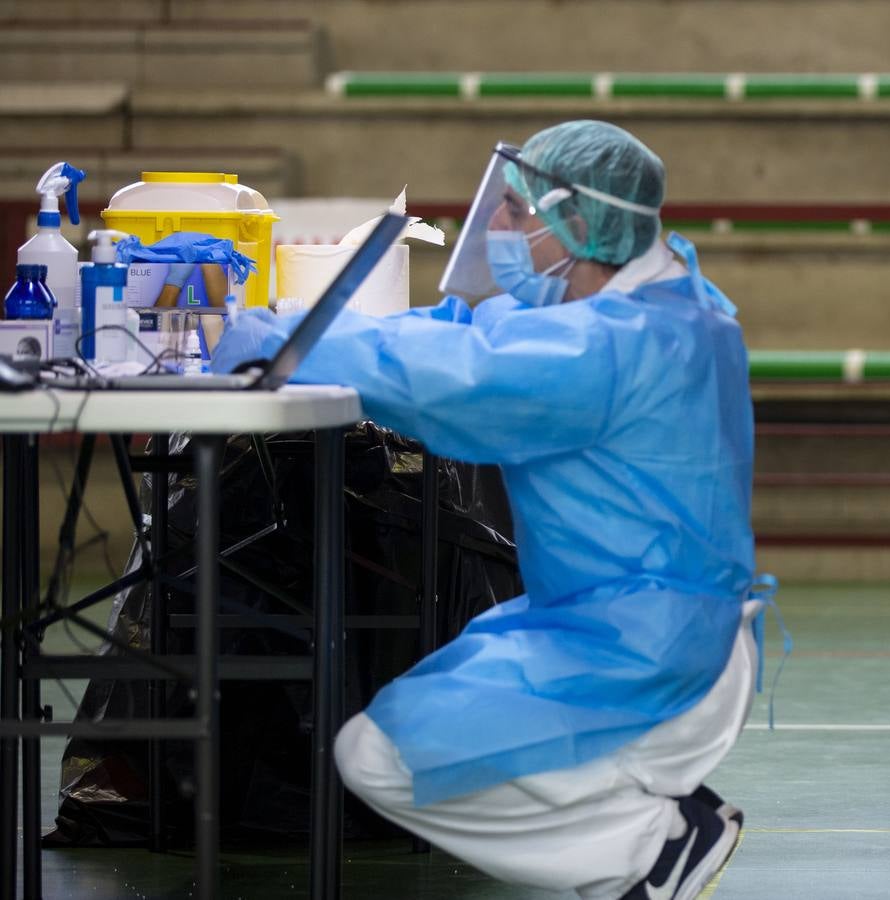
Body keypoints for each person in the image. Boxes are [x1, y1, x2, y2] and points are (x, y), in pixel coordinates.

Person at [214, 120, 765, 898]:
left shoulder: (613, 345)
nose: (499, 229)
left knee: (380, 757)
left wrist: (284, 346)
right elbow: (461, 332)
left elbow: (460, 379)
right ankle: (646, 838)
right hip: (629, 623)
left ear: (580, 222)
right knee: (400, 737)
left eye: (517, 211)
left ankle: (652, 845)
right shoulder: (663, 300)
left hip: (648, 650)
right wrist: (306, 329)